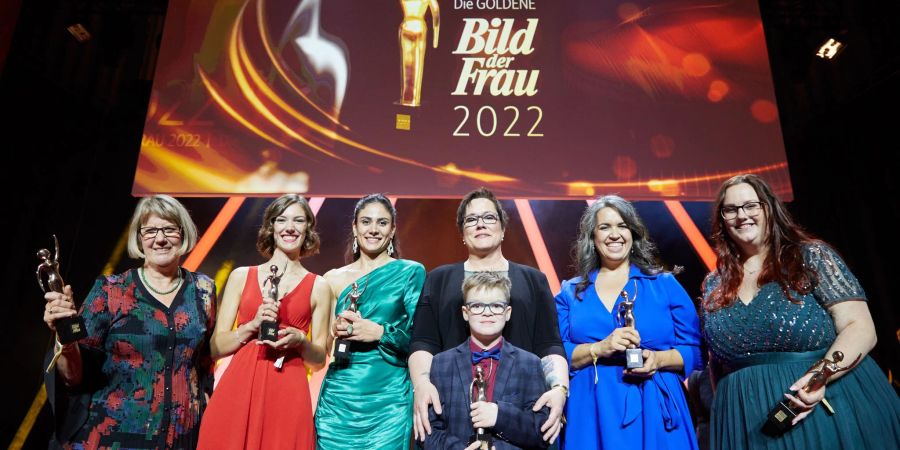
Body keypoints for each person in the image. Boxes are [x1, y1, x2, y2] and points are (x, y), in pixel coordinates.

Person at [701, 174, 900, 449]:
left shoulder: (811, 257)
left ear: (770, 208)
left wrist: (818, 380)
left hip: (823, 408)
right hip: (746, 425)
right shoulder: (714, 283)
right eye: (731, 209)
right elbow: (715, 363)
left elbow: (860, 327)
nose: (741, 215)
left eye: (751, 205)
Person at [42, 195, 216, 449]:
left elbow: (203, 362)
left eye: (169, 229)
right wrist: (64, 335)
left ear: (183, 233)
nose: (160, 238)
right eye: (151, 231)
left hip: (180, 438)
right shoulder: (111, 290)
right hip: (114, 437)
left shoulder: (203, 289)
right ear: (139, 237)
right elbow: (74, 376)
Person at [411, 188, 569, 445]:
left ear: (504, 228)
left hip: (519, 417)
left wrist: (559, 389)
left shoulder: (534, 280)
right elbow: (423, 341)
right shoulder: (439, 279)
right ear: (462, 232)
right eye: (471, 219)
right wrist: (422, 385)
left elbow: (549, 343)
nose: (480, 223)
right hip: (454, 416)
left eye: (489, 217)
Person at [555, 195, 702, 450]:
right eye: (604, 227)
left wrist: (658, 360)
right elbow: (556, 353)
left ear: (633, 234)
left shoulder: (664, 285)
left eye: (622, 226)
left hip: (654, 405)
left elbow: (697, 351)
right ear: (592, 237)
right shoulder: (570, 292)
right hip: (591, 409)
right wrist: (598, 348)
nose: (615, 234)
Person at [197, 194, 331, 449]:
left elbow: (319, 358)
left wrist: (301, 341)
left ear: (308, 229)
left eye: (298, 220)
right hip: (239, 385)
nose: (290, 227)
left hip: (287, 386)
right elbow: (215, 349)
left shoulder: (319, 286)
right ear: (271, 227)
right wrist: (250, 326)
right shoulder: (240, 276)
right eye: (282, 220)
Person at [314, 193, 426, 449]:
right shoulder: (331, 278)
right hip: (339, 398)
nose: (373, 230)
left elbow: (421, 341)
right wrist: (333, 330)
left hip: (389, 398)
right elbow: (322, 349)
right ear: (355, 227)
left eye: (382, 223)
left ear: (392, 229)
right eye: (366, 222)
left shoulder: (411, 272)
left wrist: (379, 332)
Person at [425, 271, 550, 450]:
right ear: (465, 313)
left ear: (508, 313)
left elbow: (541, 432)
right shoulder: (441, 363)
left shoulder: (530, 364)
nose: (487, 313)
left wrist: (500, 417)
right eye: (477, 306)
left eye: (496, 306)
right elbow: (428, 431)